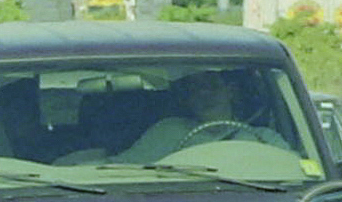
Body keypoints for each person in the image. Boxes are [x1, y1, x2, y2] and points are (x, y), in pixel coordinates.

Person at [114, 69, 286, 164]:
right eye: (195, 89)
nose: (205, 95)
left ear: (231, 91)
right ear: (187, 99)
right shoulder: (168, 131)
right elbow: (122, 167)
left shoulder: (263, 138)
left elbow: (294, 168)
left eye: (212, 86)